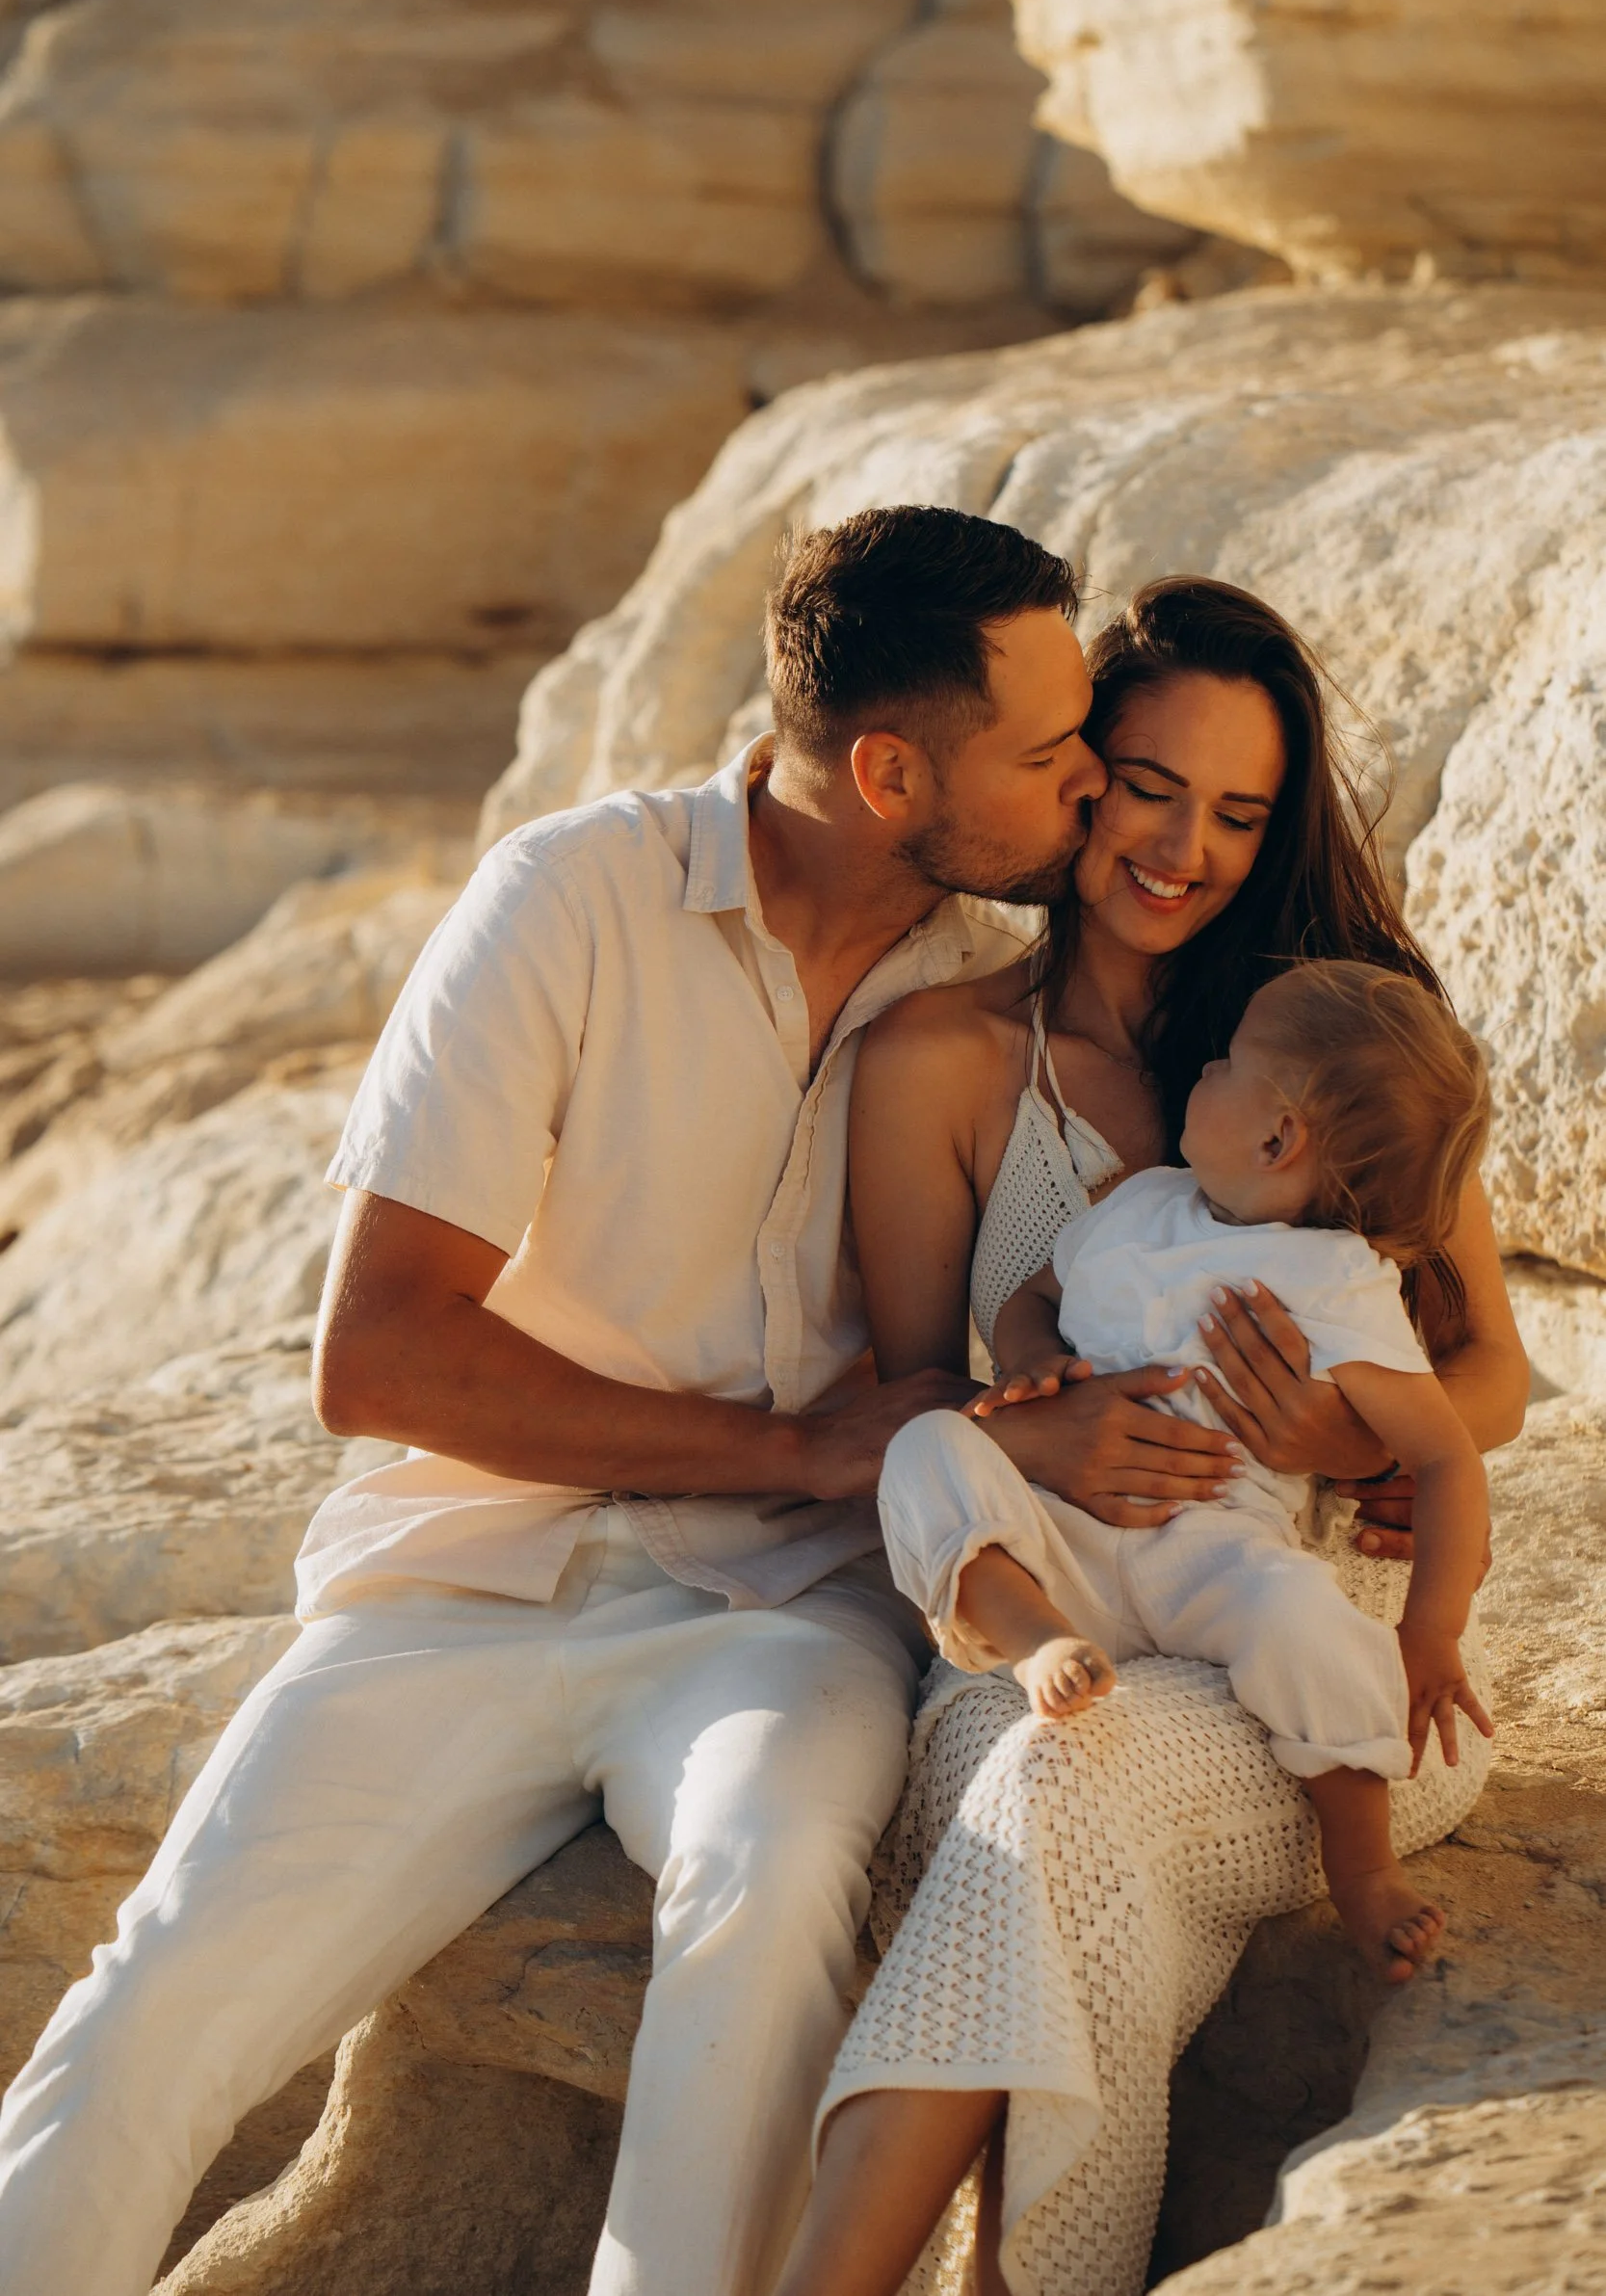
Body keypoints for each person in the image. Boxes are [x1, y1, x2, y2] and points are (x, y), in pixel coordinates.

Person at [0, 505, 1170, 2296]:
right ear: (885, 774)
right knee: (159, 2002)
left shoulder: (1001, 989)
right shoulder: (570, 896)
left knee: (767, 1901)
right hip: (459, 1582)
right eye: (1045, 750)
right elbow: (379, 1356)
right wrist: (788, 1446)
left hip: (786, 1617)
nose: (1088, 780)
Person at [775, 577, 1529, 2296]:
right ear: (1073, 776)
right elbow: (919, 1395)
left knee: (1070, 1798)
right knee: (1050, 1772)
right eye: (1146, 786)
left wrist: (1337, 1441)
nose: (1184, 849)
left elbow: (1487, 1376)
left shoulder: (1334, 1043)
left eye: (1239, 814)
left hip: (1314, 1660)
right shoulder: (940, 1054)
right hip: (1037, 1618)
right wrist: (1036, 1440)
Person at [880, 959, 1496, 1983]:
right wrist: (1031, 1365)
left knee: (1306, 1617)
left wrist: (1429, 1632)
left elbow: (1443, 1456)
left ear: (1277, 1138)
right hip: (1063, 1539)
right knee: (924, 1447)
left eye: (1226, 1063)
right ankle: (1034, 1642)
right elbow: (1031, 1298)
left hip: (1216, 1555)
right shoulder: (1139, 1204)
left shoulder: (1334, 1278)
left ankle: (1362, 1869)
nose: (1201, 1070)